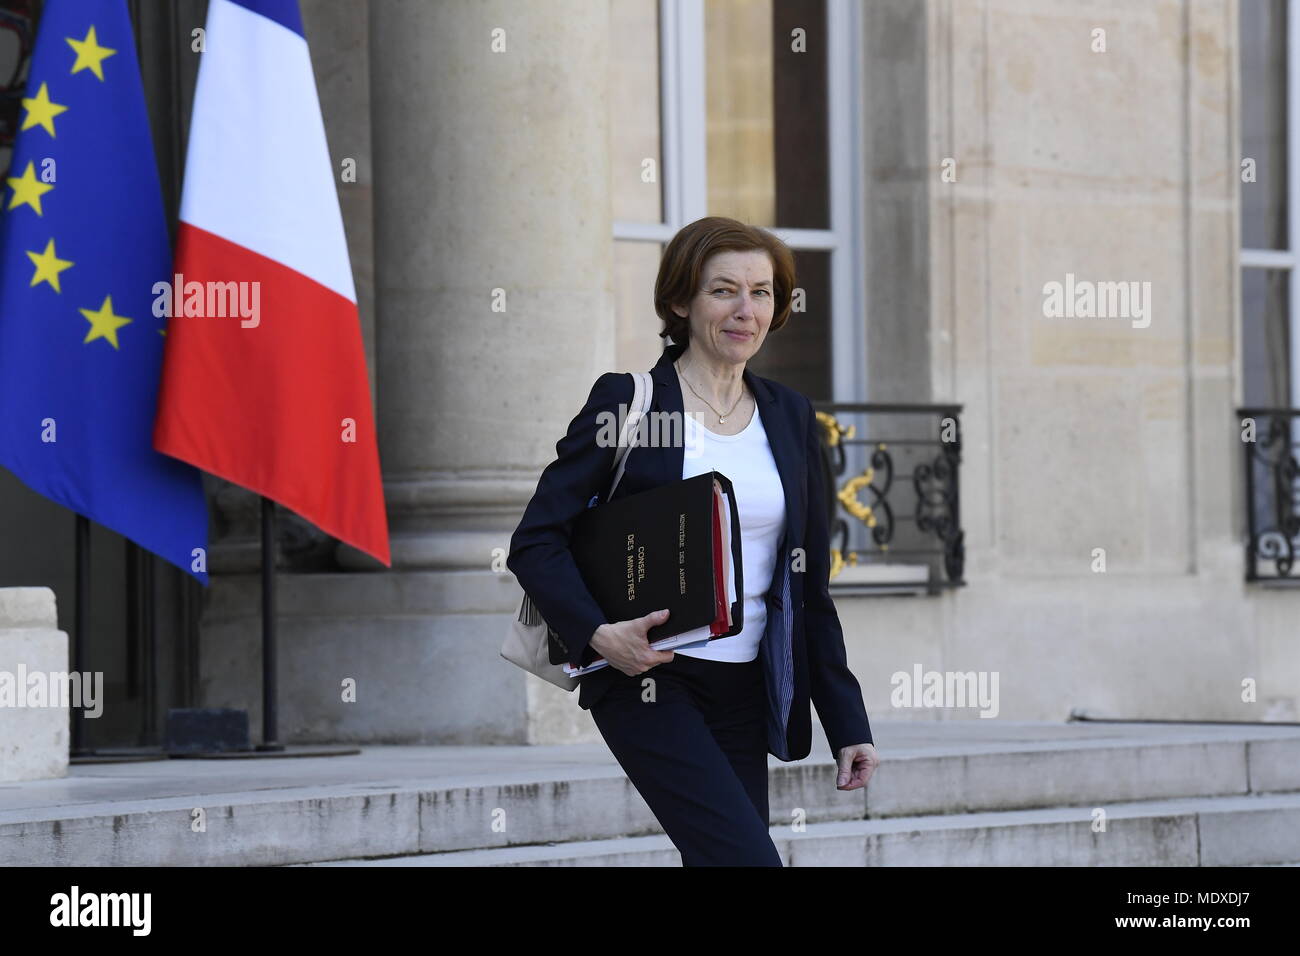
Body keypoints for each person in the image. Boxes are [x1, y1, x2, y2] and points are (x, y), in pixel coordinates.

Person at [507, 216, 879, 866]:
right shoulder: (629, 403)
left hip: (748, 683)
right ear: (681, 302)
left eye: (762, 292)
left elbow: (806, 586)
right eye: (724, 291)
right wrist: (599, 634)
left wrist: (846, 722)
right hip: (648, 677)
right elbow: (536, 540)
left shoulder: (790, 415)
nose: (746, 310)